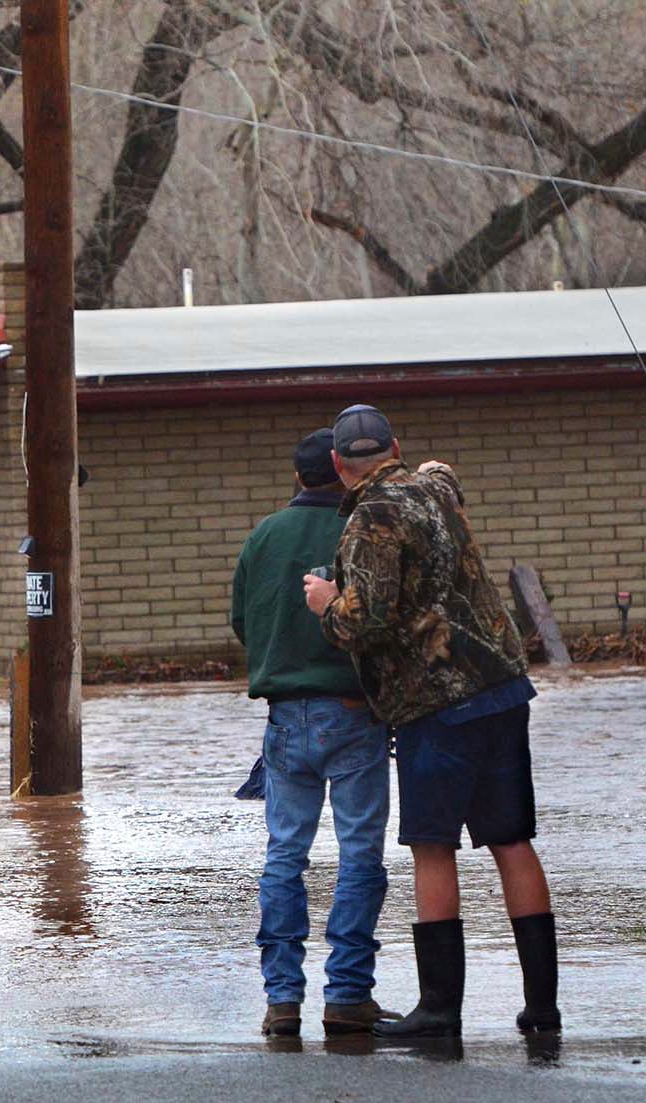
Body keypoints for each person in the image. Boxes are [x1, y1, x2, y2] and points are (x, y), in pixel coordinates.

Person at [303, 404, 560, 1040]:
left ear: (338, 465)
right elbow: (444, 473)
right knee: (510, 840)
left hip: (435, 704)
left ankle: (440, 1010)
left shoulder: (370, 519)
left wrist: (327, 602)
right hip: (502, 688)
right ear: (395, 445)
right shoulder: (434, 490)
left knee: (432, 846)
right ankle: (542, 1008)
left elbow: (369, 622)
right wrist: (429, 464)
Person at [231, 428, 394, 1040]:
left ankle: (282, 1000)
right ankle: (348, 994)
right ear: (340, 470)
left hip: (282, 719)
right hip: (353, 712)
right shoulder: (361, 532)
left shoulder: (263, 536)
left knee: (284, 856)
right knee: (359, 854)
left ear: (300, 476)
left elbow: (244, 622)